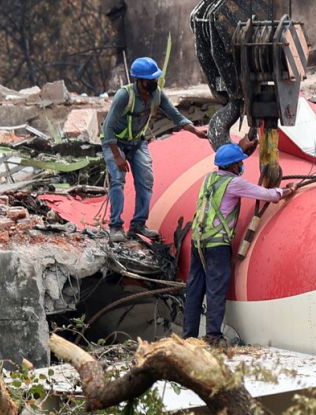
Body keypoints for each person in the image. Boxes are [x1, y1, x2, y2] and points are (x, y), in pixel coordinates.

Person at [183, 143, 293, 346]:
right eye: (240, 162)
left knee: (195, 289)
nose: (242, 165)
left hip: (198, 241)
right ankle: (213, 336)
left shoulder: (209, 179)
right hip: (217, 245)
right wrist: (284, 192)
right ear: (233, 166)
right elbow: (266, 194)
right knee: (215, 289)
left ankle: (188, 336)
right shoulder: (234, 183)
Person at [101, 56, 208, 242]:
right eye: (150, 80)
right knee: (117, 180)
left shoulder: (157, 94)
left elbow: (175, 115)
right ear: (139, 80)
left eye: (155, 79)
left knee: (146, 180)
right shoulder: (124, 96)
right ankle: (116, 226)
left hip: (137, 142)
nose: (154, 82)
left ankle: (138, 225)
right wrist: (118, 157)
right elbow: (107, 127)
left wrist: (195, 131)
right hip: (115, 143)